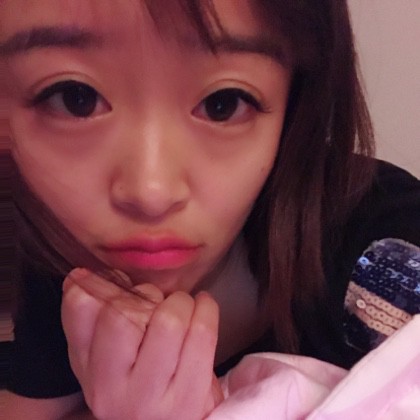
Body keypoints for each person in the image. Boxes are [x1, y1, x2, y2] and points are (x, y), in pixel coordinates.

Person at [1, 0, 419, 418]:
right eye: (74, 99)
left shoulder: (388, 260)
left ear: (294, 106)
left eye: (224, 103)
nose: (151, 193)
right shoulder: (50, 239)